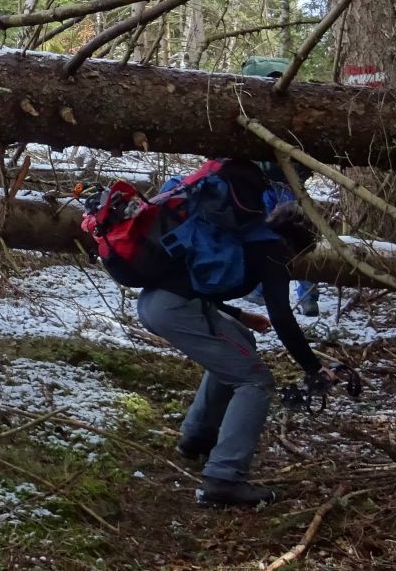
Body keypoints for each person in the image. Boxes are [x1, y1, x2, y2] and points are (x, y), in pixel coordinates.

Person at [135, 159, 342, 507]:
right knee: (255, 381)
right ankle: (224, 479)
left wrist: (240, 316)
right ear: (300, 243)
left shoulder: (248, 236)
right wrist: (313, 368)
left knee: (240, 345)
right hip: (174, 309)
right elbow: (282, 316)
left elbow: (198, 285)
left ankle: (197, 439)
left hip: (157, 304)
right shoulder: (274, 250)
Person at [240, 55, 320, 316]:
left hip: (269, 183)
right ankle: (307, 296)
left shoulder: (252, 99)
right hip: (291, 182)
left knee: (269, 234)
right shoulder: (297, 101)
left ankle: (264, 291)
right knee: (296, 236)